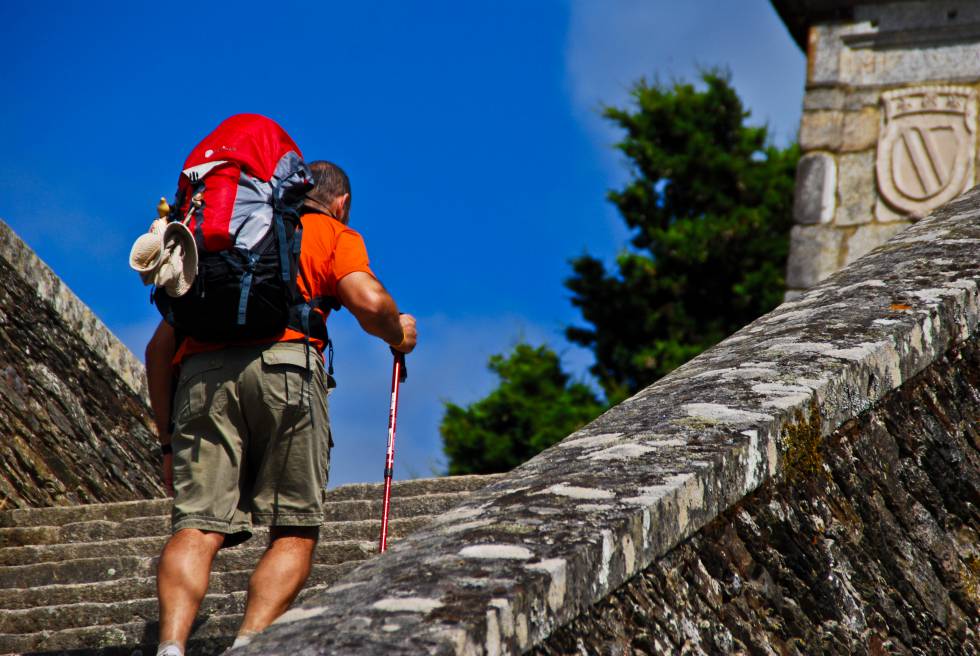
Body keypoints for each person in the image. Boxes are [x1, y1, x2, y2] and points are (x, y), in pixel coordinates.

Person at [144, 161, 417, 656]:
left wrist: (167, 444)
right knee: (292, 528)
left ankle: (169, 648)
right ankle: (249, 644)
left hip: (203, 376)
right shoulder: (331, 231)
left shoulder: (232, 237)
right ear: (341, 203)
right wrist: (399, 331)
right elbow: (369, 302)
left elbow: (158, 353)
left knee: (196, 525)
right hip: (287, 373)